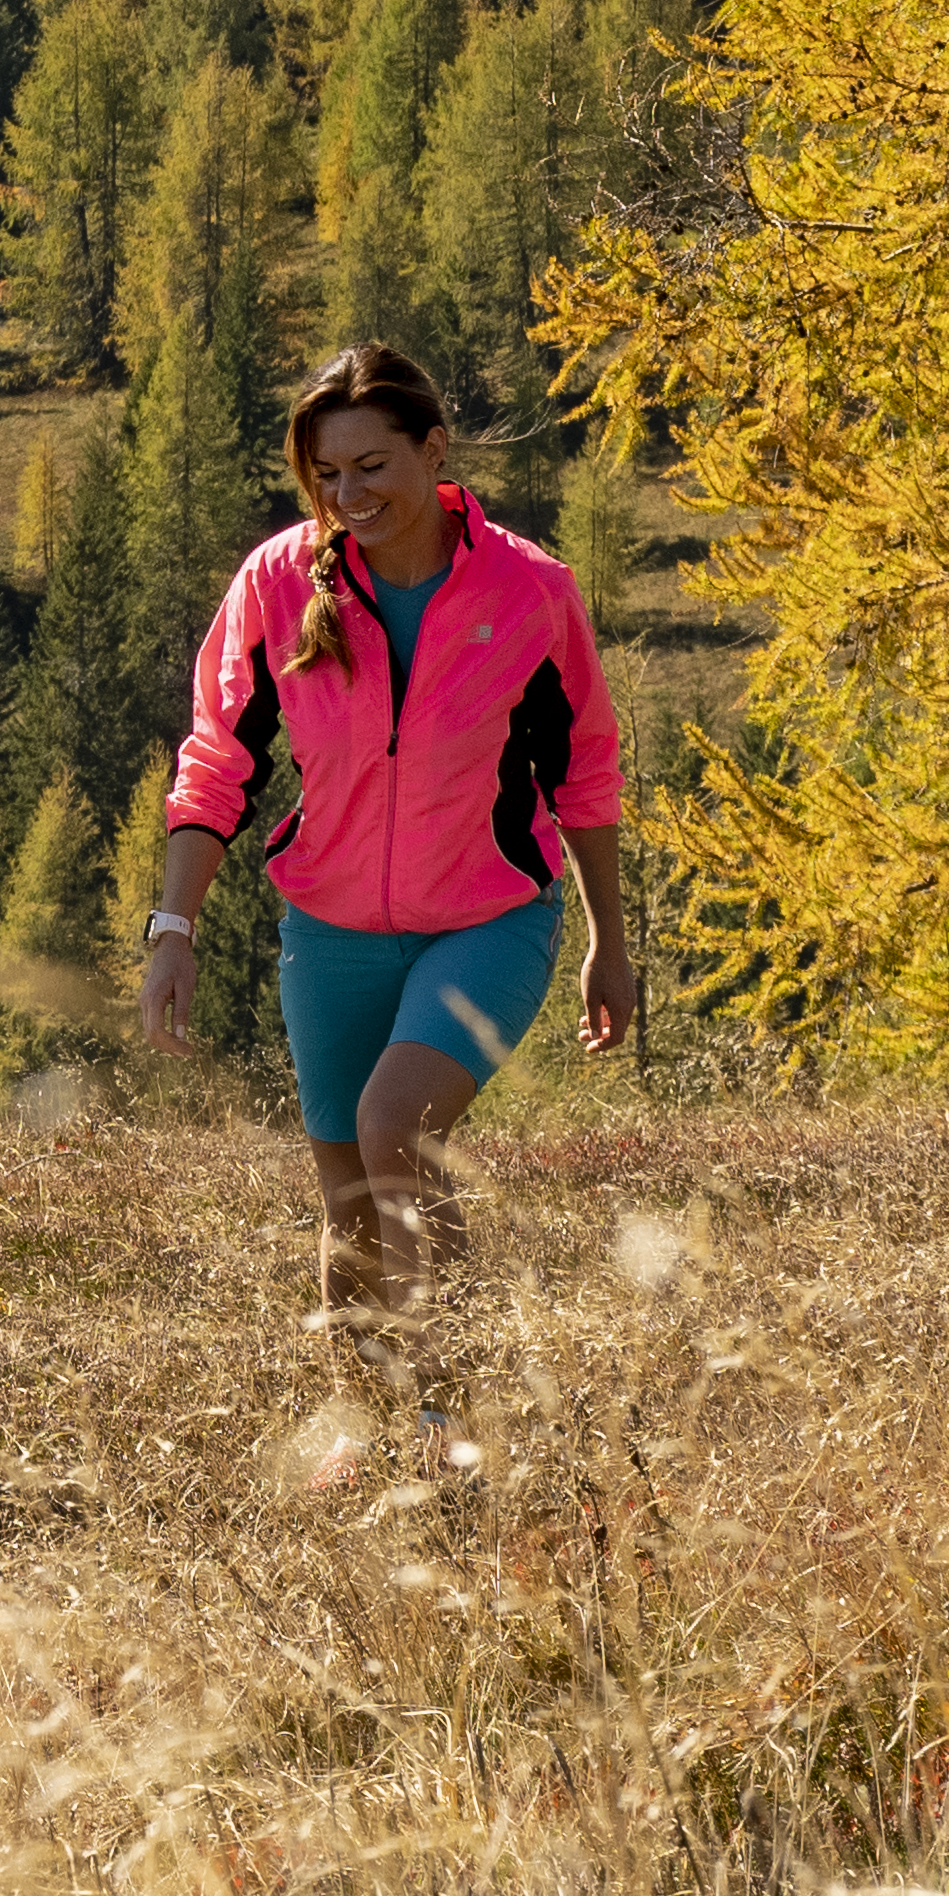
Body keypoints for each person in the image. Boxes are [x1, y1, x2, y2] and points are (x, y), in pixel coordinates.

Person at [136, 343, 634, 1305]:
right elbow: (215, 765)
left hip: (487, 921)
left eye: (370, 465)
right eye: (325, 473)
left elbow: (583, 773)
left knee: (395, 1127)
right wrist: (173, 927)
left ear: (434, 451)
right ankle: (363, 1433)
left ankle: (453, 1423)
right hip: (329, 932)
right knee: (349, 1204)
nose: (346, 493)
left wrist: (608, 941)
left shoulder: (530, 592)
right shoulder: (278, 582)